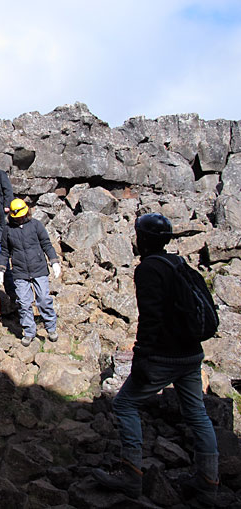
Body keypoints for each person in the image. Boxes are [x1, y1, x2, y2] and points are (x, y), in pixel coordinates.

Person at [93, 213, 218, 504]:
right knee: (197, 414)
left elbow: (151, 318)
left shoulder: (149, 269)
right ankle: (209, 482)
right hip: (191, 352)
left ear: (143, 239)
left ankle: (130, 475)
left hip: (164, 355)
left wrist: (142, 358)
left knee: (124, 404)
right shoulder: (177, 262)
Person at [0, 198, 60, 346]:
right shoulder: (8, 229)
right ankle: (29, 331)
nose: (20, 219)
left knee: (43, 299)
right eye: (17, 217)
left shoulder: (36, 225)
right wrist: (1, 270)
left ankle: (51, 327)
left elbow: (46, 244)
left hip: (39, 268)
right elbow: (5, 251)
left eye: (22, 215)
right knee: (24, 303)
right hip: (20, 271)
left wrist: (54, 261)